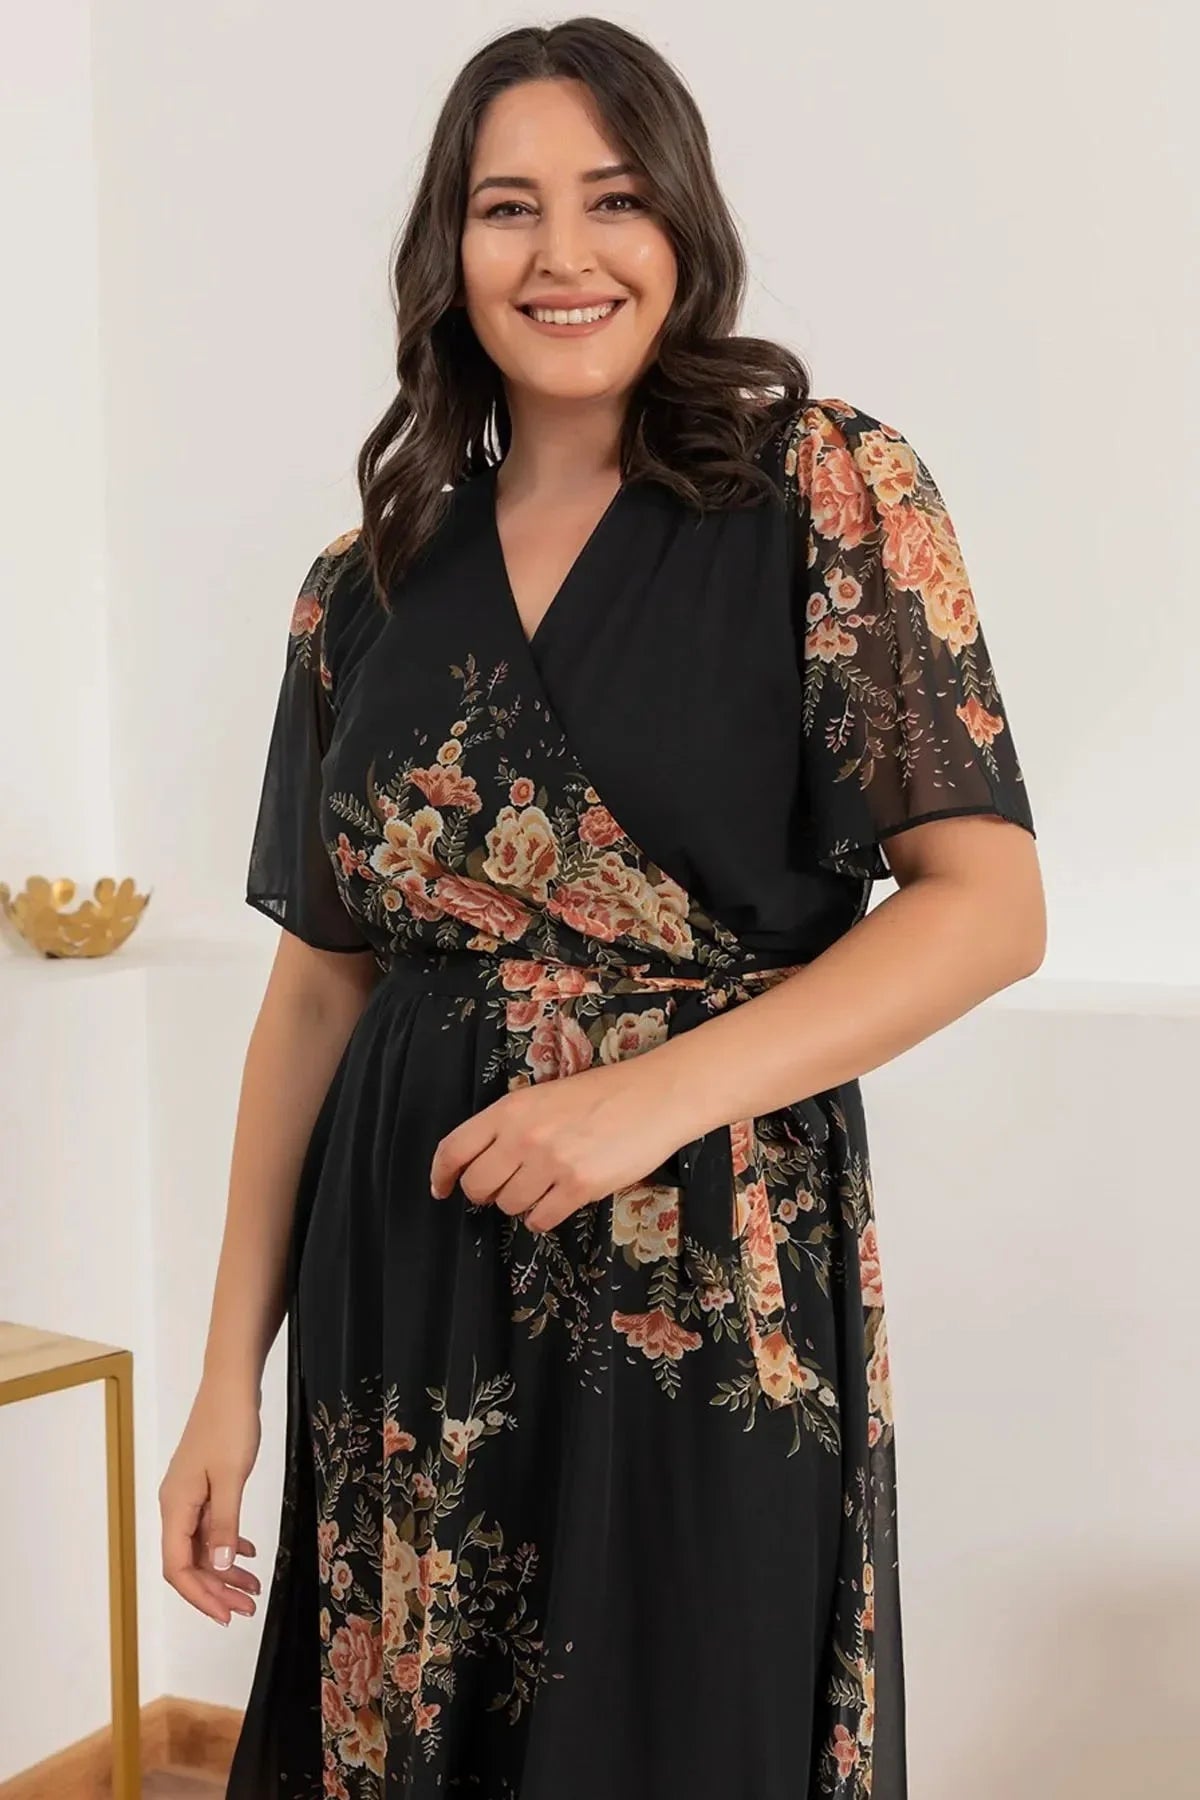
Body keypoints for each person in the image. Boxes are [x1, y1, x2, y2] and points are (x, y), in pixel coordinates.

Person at [158, 17, 1045, 1799]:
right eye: (509, 207)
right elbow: (318, 995)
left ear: (683, 225)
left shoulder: (823, 490)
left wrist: (647, 1099)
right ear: (450, 247)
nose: (563, 253)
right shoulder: (363, 585)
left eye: (614, 199)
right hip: (400, 1287)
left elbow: (987, 904)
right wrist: (225, 1379)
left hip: (701, 1276)